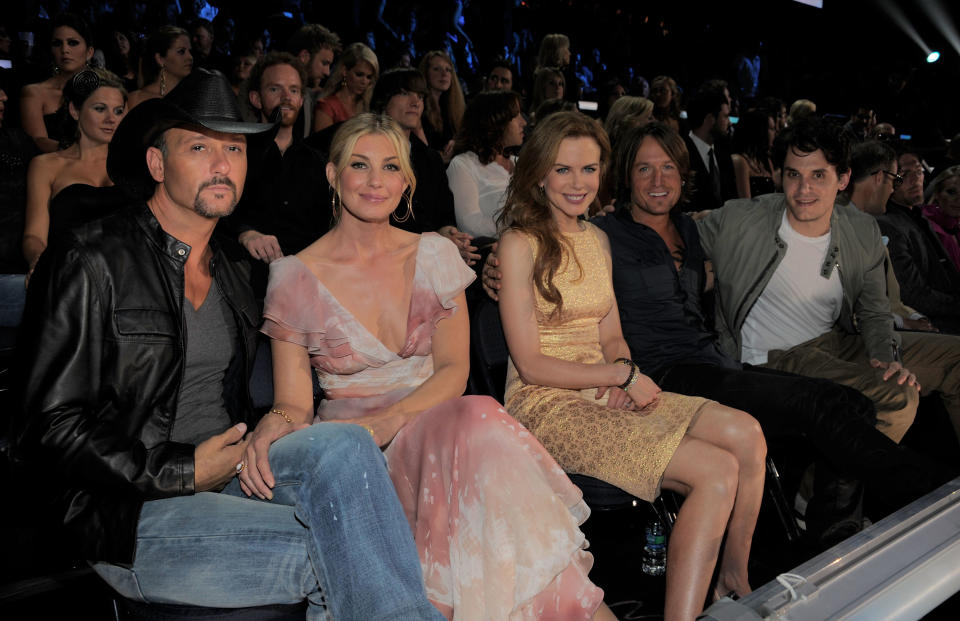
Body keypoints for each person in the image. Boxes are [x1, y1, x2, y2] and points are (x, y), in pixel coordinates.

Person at [14, 69, 443, 619]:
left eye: (235, 150)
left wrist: (268, 426)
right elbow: (45, 430)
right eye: (199, 146)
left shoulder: (238, 273)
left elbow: (267, 390)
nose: (222, 164)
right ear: (156, 163)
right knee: (357, 551)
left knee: (344, 446)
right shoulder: (91, 259)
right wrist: (182, 470)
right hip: (129, 513)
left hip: (234, 476)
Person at [481, 122, 940, 545]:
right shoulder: (604, 233)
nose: (658, 180)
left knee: (854, 403)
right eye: (644, 168)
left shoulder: (695, 228)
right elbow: (546, 260)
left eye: (668, 168)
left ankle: (825, 529)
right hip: (667, 372)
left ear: (683, 176)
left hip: (716, 362)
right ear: (623, 176)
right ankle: (932, 499)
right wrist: (492, 267)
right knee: (822, 404)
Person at [260, 112, 614, 620]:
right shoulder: (292, 276)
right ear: (334, 176)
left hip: (434, 422)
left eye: (391, 166)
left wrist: (391, 420)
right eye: (360, 165)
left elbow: (453, 370)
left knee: (476, 416)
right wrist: (275, 425)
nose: (376, 180)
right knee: (478, 436)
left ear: (406, 181)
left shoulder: (435, 255)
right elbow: (294, 404)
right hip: (353, 450)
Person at [497, 111, 765, 619]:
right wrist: (620, 374)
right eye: (564, 170)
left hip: (605, 383)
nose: (579, 184)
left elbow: (612, 333)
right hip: (545, 404)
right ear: (537, 174)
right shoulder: (518, 244)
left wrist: (621, 372)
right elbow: (530, 365)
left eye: (590, 169)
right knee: (714, 470)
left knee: (747, 433)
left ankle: (731, 578)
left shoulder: (596, 239)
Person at [698, 117, 960, 445]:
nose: (803, 189)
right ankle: (818, 492)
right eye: (794, 174)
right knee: (897, 398)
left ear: (843, 178)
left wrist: (888, 358)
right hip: (775, 357)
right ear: (781, 175)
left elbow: (875, 313)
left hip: (836, 342)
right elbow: (676, 236)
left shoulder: (861, 230)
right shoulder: (741, 219)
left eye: (818, 175)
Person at [224, 52, 331, 299]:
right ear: (256, 98)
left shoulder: (319, 163)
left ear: (302, 99)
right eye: (275, 89)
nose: (286, 97)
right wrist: (245, 232)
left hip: (308, 288)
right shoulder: (236, 155)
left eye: (293, 90)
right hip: (248, 285)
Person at [22, 69, 127, 285]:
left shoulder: (136, 164)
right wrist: (39, 262)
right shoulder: (46, 165)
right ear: (74, 110)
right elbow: (34, 236)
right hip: (70, 274)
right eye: (100, 109)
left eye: (118, 111)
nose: (111, 119)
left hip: (127, 274)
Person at [370, 67, 477, 265]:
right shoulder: (367, 154)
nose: (415, 102)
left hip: (430, 257)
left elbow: (445, 213)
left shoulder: (430, 159)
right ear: (383, 101)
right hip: (384, 257)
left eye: (419, 96)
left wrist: (448, 232)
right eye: (404, 93)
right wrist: (434, 238)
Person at [879, 147, 960, 335]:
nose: (915, 179)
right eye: (905, 174)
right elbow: (913, 295)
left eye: (918, 172)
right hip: (930, 324)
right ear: (888, 179)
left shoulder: (917, 217)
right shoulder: (889, 224)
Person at [446, 90, 525, 239]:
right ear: (496, 122)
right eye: (516, 116)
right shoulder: (463, 165)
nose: (524, 122)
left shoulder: (521, 163)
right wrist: (516, 222)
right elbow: (470, 225)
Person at [20, 13, 95, 152]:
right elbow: (36, 141)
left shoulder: (104, 90)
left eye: (73, 43)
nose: (64, 50)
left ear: (89, 52)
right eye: (57, 43)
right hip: (54, 167)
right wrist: (77, 153)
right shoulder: (34, 92)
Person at [683, 85, 736, 212]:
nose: (729, 122)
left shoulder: (724, 152)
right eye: (725, 116)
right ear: (710, 119)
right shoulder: (681, 154)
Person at [313, 42, 378, 132]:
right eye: (359, 74)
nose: (364, 81)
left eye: (369, 77)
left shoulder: (366, 108)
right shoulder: (327, 106)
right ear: (344, 71)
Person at [127, 26, 193, 110]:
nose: (190, 57)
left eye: (190, 51)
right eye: (181, 51)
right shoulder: (136, 100)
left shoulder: (195, 97)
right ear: (160, 59)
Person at [418, 50, 465, 159]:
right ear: (426, 73)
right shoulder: (418, 106)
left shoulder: (452, 107)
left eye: (448, 70)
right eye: (436, 69)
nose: (444, 74)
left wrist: (456, 144)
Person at [731, 109, 779, 198]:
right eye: (772, 129)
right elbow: (745, 203)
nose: (775, 133)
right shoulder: (740, 160)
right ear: (760, 130)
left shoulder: (765, 160)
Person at [924, 165, 960, 273]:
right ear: (937, 194)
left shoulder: (954, 224)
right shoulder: (928, 227)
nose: (959, 199)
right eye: (951, 192)